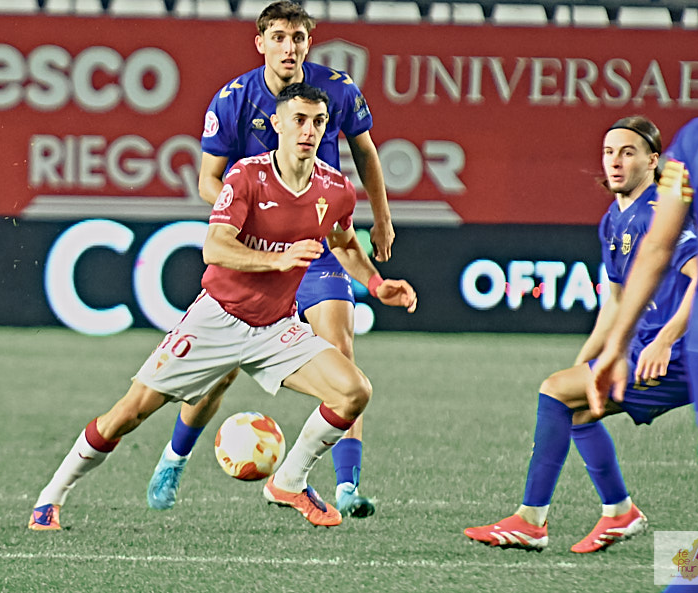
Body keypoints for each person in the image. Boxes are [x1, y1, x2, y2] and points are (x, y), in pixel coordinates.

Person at [28, 83, 417, 530]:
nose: (309, 131)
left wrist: (376, 283)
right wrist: (277, 260)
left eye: (318, 122)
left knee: (354, 391)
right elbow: (215, 248)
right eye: (299, 120)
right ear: (277, 124)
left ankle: (289, 481)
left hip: (276, 327)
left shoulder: (336, 188)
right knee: (128, 413)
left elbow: (343, 242)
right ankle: (51, 498)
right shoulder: (247, 177)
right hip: (217, 319)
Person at [147, 0, 394, 519]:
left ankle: (346, 486)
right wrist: (247, 221)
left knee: (341, 350)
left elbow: (366, 152)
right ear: (260, 42)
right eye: (279, 37)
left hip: (316, 244)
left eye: (298, 38)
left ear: (309, 43)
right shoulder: (234, 99)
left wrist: (382, 218)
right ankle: (174, 457)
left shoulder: (336, 89)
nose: (289, 47)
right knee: (220, 373)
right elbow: (208, 180)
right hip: (256, 249)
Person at [464, 116, 698, 552]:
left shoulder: (658, 211)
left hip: (685, 351)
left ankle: (532, 521)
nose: (615, 161)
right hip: (659, 347)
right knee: (573, 407)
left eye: (628, 152)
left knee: (558, 394)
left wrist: (666, 340)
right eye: (609, 152)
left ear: (653, 160)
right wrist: (585, 361)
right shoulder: (614, 219)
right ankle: (619, 512)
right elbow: (616, 302)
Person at [590, 15, 698, 592]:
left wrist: (616, 345)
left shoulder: (696, 139)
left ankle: (690, 575)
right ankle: (680, 585)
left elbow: (658, 247)